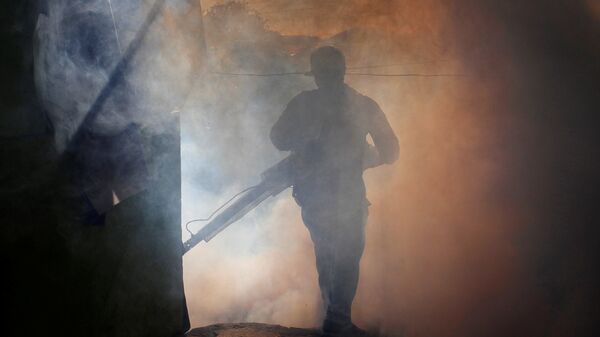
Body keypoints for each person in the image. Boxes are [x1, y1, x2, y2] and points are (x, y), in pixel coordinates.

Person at [270, 46, 399, 337]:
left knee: (328, 255)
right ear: (342, 72)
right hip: (345, 196)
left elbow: (277, 138)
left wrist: (307, 145)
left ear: (316, 75)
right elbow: (391, 151)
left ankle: (334, 319)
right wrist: (365, 159)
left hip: (316, 196)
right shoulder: (364, 105)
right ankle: (337, 320)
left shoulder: (304, 103)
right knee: (345, 257)